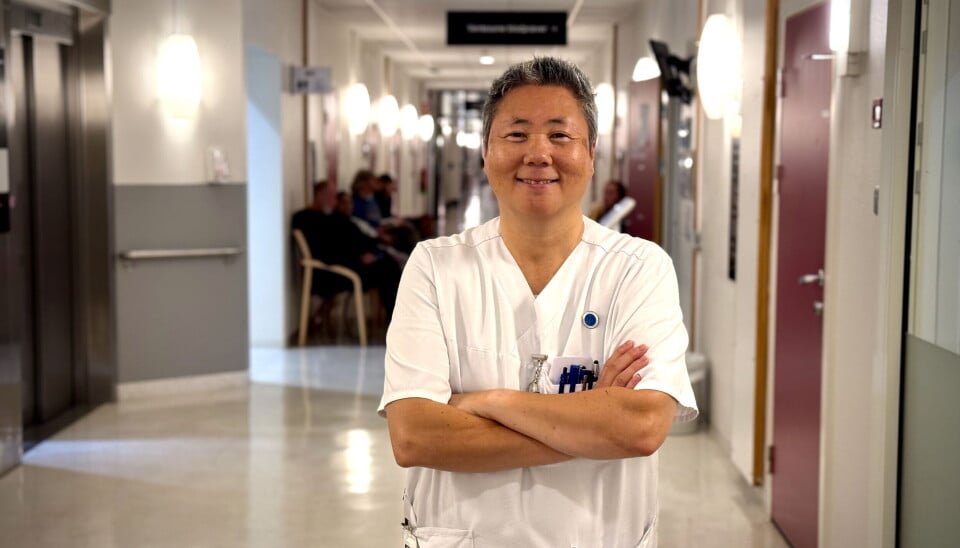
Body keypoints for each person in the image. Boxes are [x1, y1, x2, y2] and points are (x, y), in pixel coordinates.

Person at [379, 57, 697, 547]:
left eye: (559, 135)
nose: (538, 153)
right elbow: (415, 437)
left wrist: (490, 403)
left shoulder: (639, 269)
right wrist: (590, 424)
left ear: (591, 153)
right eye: (517, 134)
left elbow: (640, 427)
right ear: (486, 152)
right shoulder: (435, 267)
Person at [292, 180, 400, 318]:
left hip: (348, 263)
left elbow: (355, 238)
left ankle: (396, 316)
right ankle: (395, 318)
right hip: (330, 272)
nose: (334, 201)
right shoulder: (304, 219)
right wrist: (359, 256)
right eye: (331, 196)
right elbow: (325, 250)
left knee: (388, 263)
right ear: (319, 195)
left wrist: (369, 252)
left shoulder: (333, 218)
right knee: (388, 269)